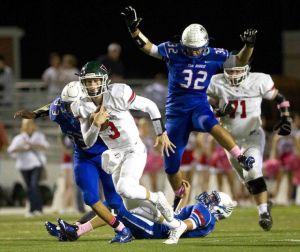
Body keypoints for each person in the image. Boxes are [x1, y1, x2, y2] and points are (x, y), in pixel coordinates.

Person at [121, 6, 256, 209]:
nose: (193, 52)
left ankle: (240, 156)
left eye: (197, 48)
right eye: (190, 48)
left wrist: (249, 45)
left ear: (206, 43)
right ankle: (179, 194)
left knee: (210, 122)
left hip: (199, 105)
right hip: (176, 112)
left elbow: (240, 60)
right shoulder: (173, 50)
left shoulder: (214, 54)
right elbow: (148, 47)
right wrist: (133, 30)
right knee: (171, 166)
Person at [71, 61, 186, 240]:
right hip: (116, 155)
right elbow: (88, 141)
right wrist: (95, 124)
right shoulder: (81, 106)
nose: (92, 85)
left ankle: (157, 197)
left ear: (104, 81)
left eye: (95, 81)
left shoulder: (118, 93)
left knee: (125, 188)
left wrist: (160, 132)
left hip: (133, 149)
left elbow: (150, 106)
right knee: (131, 205)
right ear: (82, 84)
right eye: (88, 81)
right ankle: (175, 225)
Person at [14, 82, 132, 243]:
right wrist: (34, 114)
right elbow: (53, 106)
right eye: (67, 104)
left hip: (106, 154)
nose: (71, 108)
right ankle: (121, 230)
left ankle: (75, 230)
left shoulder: (96, 108)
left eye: (73, 104)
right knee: (90, 198)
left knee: (114, 202)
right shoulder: (61, 107)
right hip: (83, 156)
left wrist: (100, 122)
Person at [206, 59, 293, 231]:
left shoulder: (258, 80)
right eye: (230, 72)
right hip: (229, 140)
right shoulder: (216, 82)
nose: (233, 75)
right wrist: (219, 112)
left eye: (237, 71)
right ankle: (265, 201)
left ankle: (263, 213)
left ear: (246, 70)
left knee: (252, 171)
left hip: (252, 136)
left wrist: (286, 117)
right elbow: (203, 104)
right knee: (248, 180)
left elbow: (279, 97)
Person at [46, 187, 237, 245]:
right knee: (113, 203)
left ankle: (75, 231)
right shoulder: (205, 216)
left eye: (214, 198)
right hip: (158, 225)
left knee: (117, 209)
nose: (208, 197)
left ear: (219, 208)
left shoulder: (206, 214)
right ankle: (73, 228)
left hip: (155, 230)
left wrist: (174, 237)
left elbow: (182, 225)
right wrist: (181, 198)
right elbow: (177, 218)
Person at [7, 119, 49, 217]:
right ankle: (31, 209)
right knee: (29, 188)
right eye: (26, 124)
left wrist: (32, 145)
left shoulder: (38, 136)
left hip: (36, 165)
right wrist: (22, 148)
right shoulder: (19, 138)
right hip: (23, 166)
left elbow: (45, 147)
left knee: (34, 186)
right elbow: (10, 150)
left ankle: (37, 209)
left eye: (30, 124)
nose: (28, 126)